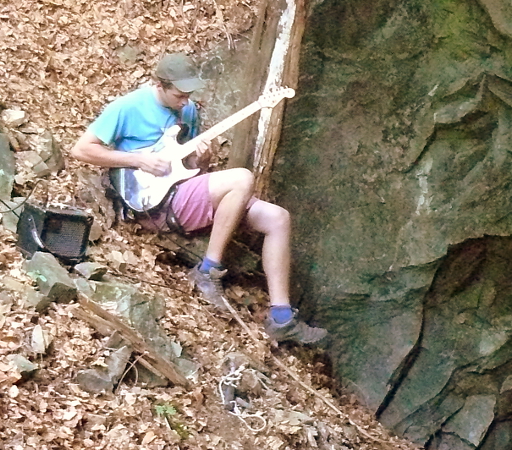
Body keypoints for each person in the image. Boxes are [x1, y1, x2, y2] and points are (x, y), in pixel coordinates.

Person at [70, 52, 327, 346]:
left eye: (189, 94)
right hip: (153, 202)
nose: (185, 101)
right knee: (241, 178)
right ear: (159, 85)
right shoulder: (127, 107)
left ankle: (281, 318)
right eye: (179, 95)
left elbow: (188, 169)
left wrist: (200, 159)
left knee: (278, 218)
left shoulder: (188, 112)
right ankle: (208, 271)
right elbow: (82, 150)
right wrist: (137, 160)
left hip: (182, 191)